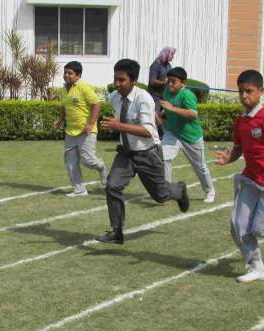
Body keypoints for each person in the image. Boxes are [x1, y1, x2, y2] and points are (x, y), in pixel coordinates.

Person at [96, 59, 190, 245]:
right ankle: (116, 232)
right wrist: (112, 126)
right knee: (112, 186)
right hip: (126, 153)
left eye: (121, 80)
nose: (116, 83)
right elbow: (117, 119)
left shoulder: (144, 99)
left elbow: (148, 131)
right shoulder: (114, 97)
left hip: (148, 153)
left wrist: (119, 125)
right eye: (115, 78)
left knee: (161, 195)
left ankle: (178, 190)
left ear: (133, 81)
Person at [215, 70, 264, 283]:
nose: (244, 96)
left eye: (249, 91)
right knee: (237, 226)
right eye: (241, 92)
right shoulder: (240, 121)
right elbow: (238, 149)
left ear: (261, 92)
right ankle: (257, 267)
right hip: (250, 179)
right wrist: (228, 158)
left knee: (259, 228)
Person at [159, 67, 216, 203]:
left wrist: (171, 108)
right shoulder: (167, 90)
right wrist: (162, 113)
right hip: (172, 133)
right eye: (169, 81)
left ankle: (210, 191)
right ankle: (166, 190)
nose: (170, 84)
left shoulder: (187, 95)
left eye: (174, 82)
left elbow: (192, 114)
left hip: (191, 137)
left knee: (200, 166)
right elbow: (167, 107)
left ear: (183, 83)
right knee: (163, 158)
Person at [54, 61, 107, 197]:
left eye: (70, 73)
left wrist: (90, 124)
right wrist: (60, 120)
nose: (66, 75)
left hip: (86, 131)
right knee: (70, 162)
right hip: (70, 132)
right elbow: (63, 106)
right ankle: (79, 190)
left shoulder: (84, 88)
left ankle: (101, 167)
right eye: (65, 72)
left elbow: (96, 104)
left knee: (88, 160)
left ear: (78, 75)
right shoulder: (63, 89)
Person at [148, 47, 176, 112]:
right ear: (166, 54)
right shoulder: (155, 65)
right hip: (155, 97)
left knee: (165, 118)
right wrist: (165, 82)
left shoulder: (168, 65)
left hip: (165, 96)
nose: (173, 57)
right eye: (172, 55)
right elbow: (152, 81)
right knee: (155, 117)